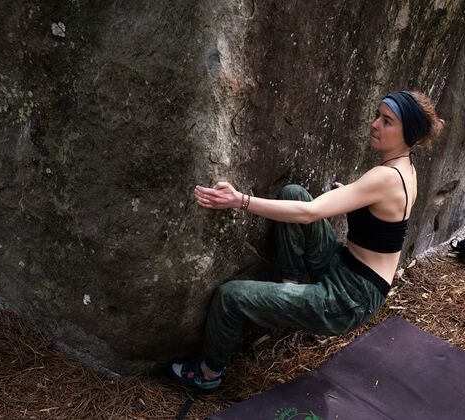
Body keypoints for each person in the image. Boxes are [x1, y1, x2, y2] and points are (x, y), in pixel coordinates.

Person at [168, 90, 445, 390]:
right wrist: (350, 193)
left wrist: (240, 201)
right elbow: (375, 214)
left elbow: (309, 213)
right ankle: (290, 289)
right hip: (346, 266)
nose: (375, 124)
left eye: (387, 121)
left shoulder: (386, 177)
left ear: (409, 134)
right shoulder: (403, 168)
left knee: (230, 296)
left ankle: (209, 374)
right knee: (294, 192)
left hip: (349, 298)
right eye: (377, 115)